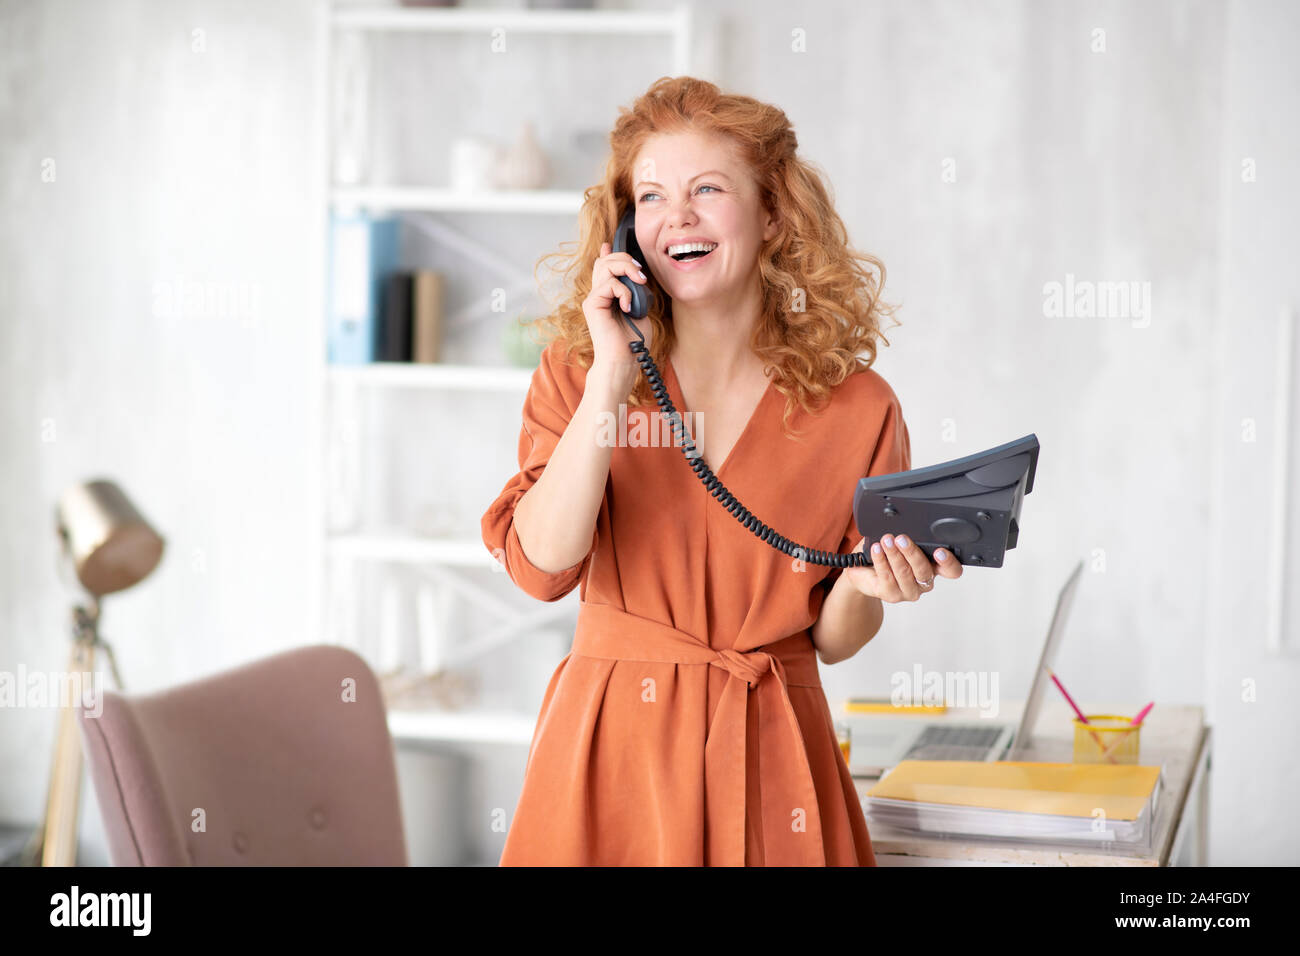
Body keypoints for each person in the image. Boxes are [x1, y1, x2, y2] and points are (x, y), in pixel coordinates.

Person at [481, 76, 963, 866]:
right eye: (652, 197)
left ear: (773, 214)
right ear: (626, 232)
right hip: (612, 755)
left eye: (708, 189)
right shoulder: (579, 371)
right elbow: (540, 568)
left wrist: (869, 585)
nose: (678, 217)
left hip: (773, 753)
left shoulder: (858, 406)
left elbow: (833, 639)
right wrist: (611, 370)